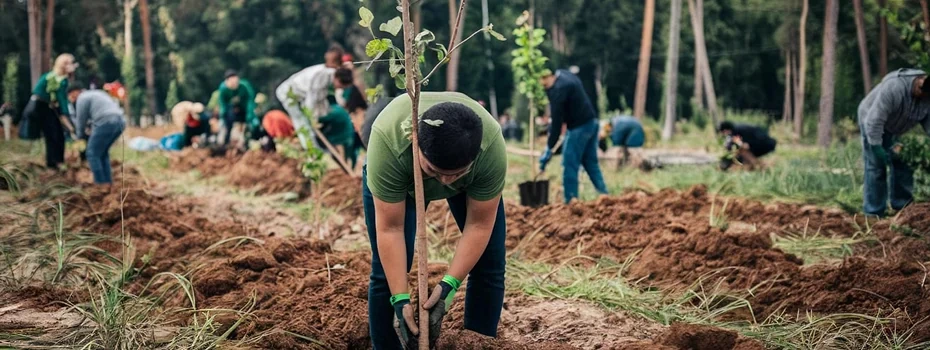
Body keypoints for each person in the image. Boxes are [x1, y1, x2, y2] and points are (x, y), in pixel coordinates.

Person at [364, 92, 507, 349]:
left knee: (489, 265)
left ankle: (478, 342)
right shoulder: (389, 143)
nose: (445, 182)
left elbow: (479, 225)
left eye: (456, 175)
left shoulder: (491, 149)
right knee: (387, 272)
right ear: (415, 143)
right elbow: (390, 229)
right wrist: (400, 298)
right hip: (403, 179)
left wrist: (448, 286)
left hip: (469, 179)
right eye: (434, 171)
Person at [858, 68, 930, 217]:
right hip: (871, 121)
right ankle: (873, 212)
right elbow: (874, 121)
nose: (925, 100)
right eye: (923, 96)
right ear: (919, 84)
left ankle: (902, 207)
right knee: (876, 166)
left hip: (895, 128)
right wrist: (876, 147)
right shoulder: (894, 87)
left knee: (903, 162)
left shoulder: (927, 96)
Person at [538, 69, 609, 203]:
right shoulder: (564, 75)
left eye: (543, 83)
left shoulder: (558, 90)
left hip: (579, 127)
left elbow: (557, 123)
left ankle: (570, 201)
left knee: (569, 163)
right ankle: (605, 195)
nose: (543, 87)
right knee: (590, 162)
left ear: (547, 77)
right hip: (592, 123)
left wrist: (549, 147)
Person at [275, 45, 345, 148]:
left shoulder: (329, 72)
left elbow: (320, 97)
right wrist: (312, 118)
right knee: (302, 124)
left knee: (306, 123)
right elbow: (311, 99)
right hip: (288, 94)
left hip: (299, 96)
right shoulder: (323, 73)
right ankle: (312, 152)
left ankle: (315, 149)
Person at [68, 84, 126, 185]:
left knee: (92, 153)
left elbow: (81, 122)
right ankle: (107, 182)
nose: (73, 101)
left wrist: (79, 138)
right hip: (120, 121)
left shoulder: (82, 98)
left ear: (75, 92)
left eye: (72, 98)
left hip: (106, 122)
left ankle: (100, 184)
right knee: (102, 153)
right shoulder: (97, 93)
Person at [30, 54, 78, 170]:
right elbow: (62, 99)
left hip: (48, 106)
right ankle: (53, 164)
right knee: (53, 134)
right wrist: (66, 119)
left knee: (57, 135)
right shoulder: (59, 80)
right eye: (71, 64)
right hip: (43, 107)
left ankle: (56, 161)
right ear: (65, 65)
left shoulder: (52, 76)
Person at [334, 66, 368, 166]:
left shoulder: (352, 90)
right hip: (354, 122)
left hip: (358, 120)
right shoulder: (346, 90)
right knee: (353, 148)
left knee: (362, 145)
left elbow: (358, 109)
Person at [217, 70, 257, 147]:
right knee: (227, 123)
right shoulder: (223, 88)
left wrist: (250, 112)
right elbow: (222, 103)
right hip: (231, 110)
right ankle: (225, 143)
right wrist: (223, 113)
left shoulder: (244, 86)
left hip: (245, 108)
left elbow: (250, 100)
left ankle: (249, 141)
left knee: (253, 124)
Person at [320, 96, 358, 167]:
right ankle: (347, 167)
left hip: (340, 138)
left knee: (322, 142)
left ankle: (340, 164)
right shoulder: (340, 109)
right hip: (349, 136)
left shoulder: (332, 110)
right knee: (348, 157)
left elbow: (321, 119)